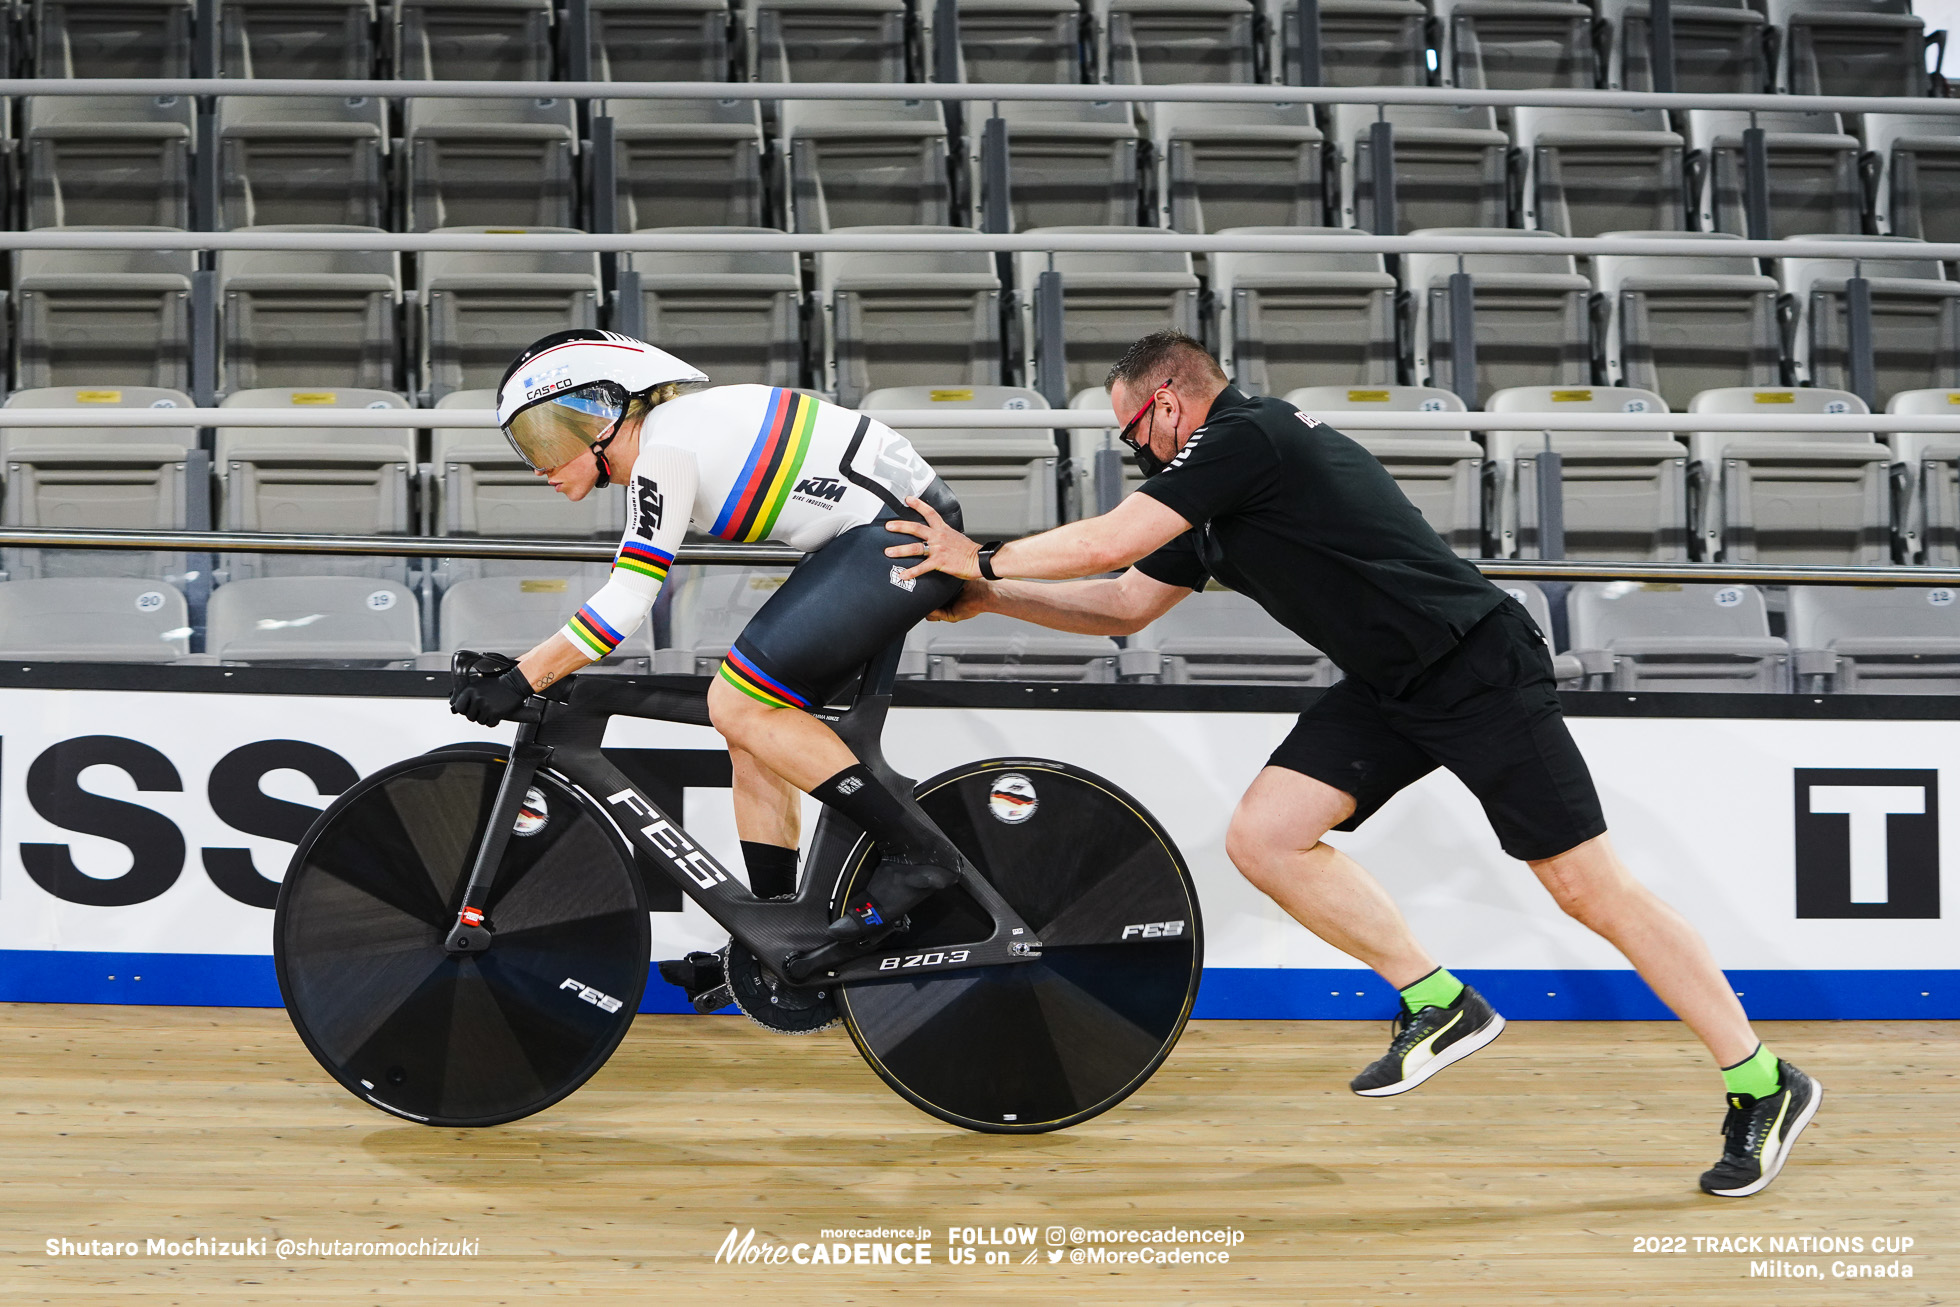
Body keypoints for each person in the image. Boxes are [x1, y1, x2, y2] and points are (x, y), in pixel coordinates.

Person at [883, 329, 1820, 1198]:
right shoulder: (1208, 500)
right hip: (1390, 683)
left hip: (1476, 662)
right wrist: (994, 600)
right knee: (1267, 837)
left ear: (1167, 401)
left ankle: (1762, 1079)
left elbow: (1109, 541)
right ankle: (1438, 1001)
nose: (1137, 453)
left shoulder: (1249, 435)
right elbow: (1124, 603)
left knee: (1587, 889)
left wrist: (986, 556)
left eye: (1132, 431)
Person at [447, 329, 972, 1005]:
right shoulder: (672, 436)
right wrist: (527, 667)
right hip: (875, 536)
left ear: (605, 414)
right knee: (751, 729)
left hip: (899, 536)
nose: (539, 464)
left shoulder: (665, 449)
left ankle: (920, 855)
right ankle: (777, 930)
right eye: (526, 447)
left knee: (738, 701)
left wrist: (524, 678)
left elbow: (628, 601)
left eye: (547, 438)